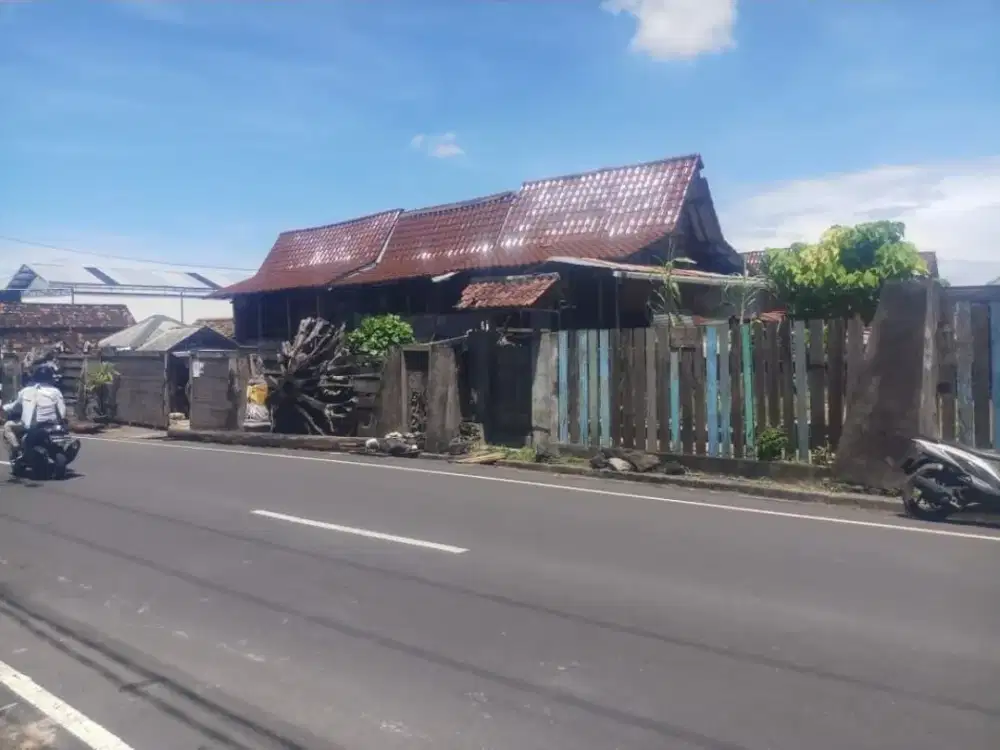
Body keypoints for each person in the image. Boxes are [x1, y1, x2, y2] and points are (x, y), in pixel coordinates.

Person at [1, 364, 67, 465]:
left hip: (31, 426)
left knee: (8, 426)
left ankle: (17, 449)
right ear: (51, 378)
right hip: (52, 426)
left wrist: (3, 408)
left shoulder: (26, 391)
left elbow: (14, 407)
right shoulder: (56, 392)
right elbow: (62, 411)